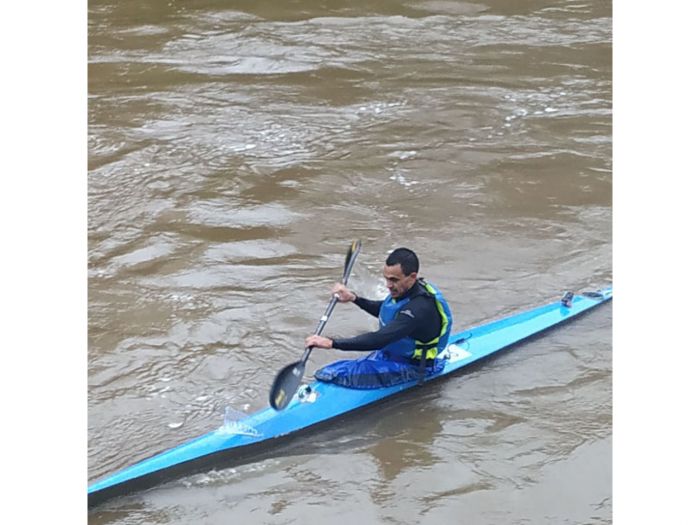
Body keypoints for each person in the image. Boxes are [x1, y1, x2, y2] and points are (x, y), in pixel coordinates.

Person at [305, 247, 453, 389]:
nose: (388, 285)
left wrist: (331, 343)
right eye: (386, 279)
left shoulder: (419, 308)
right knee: (331, 371)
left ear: (412, 277)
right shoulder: (406, 292)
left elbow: (379, 339)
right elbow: (385, 310)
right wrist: (354, 298)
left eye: (394, 280)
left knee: (331, 374)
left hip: (413, 367)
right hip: (393, 356)